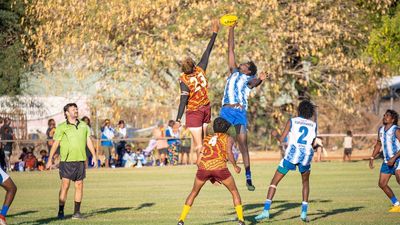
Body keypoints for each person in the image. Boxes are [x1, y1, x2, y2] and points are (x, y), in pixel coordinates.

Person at [219, 22, 267, 191]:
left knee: (243, 145)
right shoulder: (233, 71)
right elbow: (230, 50)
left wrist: (260, 79)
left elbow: (254, 83)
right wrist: (231, 29)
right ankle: (221, 172)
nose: (242, 64)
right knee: (222, 143)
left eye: (246, 65)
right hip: (226, 111)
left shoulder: (248, 79)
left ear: (248, 70)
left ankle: (248, 177)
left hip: (239, 113)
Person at [255, 100, 317, 222]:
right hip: (306, 155)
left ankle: (266, 211)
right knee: (305, 182)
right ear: (310, 112)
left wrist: (275, 134)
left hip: (292, 154)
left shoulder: (292, 121)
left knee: (274, 182)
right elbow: (313, 142)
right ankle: (304, 213)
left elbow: (282, 139)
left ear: (299, 110)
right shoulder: (313, 125)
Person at [177, 117, 244, 225]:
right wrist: (235, 166)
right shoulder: (228, 137)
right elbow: (229, 152)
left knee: (193, 193)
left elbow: (199, 160)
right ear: (226, 128)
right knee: (234, 192)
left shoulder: (207, 138)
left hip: (203, 168)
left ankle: (181, 220)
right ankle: (241, 220)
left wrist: (209, 176)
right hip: (220, 168)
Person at [175, 20, 219, 166]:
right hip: (206, 108)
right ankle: (205, 166)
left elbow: (183, 101)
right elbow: (208, 51)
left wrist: (177, 120)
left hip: (194, 112)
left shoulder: (184, 80)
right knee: (203, 143)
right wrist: (214, 33)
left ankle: (202, 170)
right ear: (194, 65)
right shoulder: (200, 69)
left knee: (199, 145)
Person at [46, 103, 98, 220]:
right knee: (65, 186)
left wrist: (94, 155)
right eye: (73, 109)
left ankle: (77, 213)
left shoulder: (84, 125)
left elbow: (88, 140)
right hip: (66, 161)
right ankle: (61, 211)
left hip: (80, 160)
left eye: (76, 109)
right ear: (67, 113)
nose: (76, 110)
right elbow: (56, 144)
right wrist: (50, 159)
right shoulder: (61, 126)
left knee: (79, 185)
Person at [369, 109, 400, 212]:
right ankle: (397, 204)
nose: (384, 117)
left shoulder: (396, 130)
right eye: (384, 115)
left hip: (398, 159)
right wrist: (372, 157)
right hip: (387, 161)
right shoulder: (381, 130)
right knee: (382, 184)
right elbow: (378, 144)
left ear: (393, 119)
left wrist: (394, 158)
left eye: (387, 115)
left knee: (399, 179)